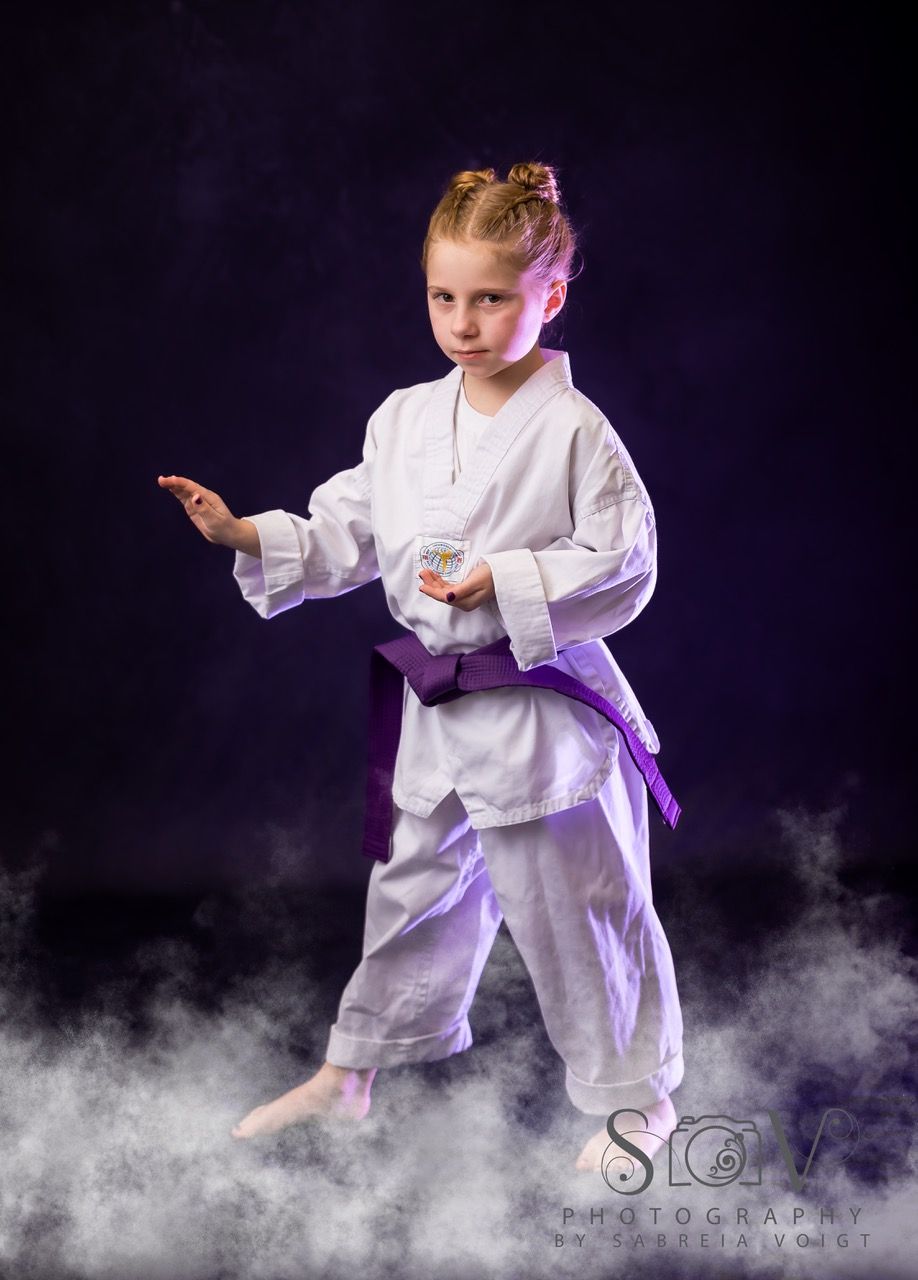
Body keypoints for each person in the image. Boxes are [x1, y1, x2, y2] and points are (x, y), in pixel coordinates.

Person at [158, 161, 685, 1173]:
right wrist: (243, 535)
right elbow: (346, 532)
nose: (465, 321)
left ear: (550, 296)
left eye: (492, 297)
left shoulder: (578, 433)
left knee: (580, 909)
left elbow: (624, 566)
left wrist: (509, 582)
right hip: (438, 717)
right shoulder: (402, 419)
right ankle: (351, 1071)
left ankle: (640, 1103)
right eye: (445, 296)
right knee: (410, 895)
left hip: (540, 714)